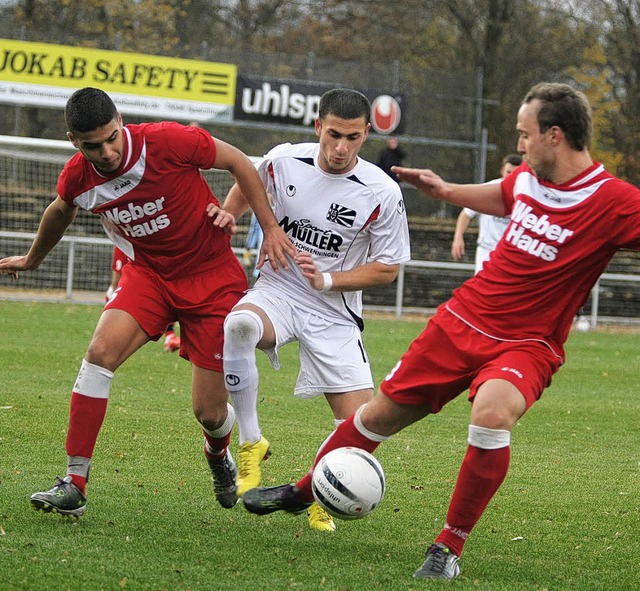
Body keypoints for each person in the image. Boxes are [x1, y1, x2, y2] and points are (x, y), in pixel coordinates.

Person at [240, 82, 640, 578]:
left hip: (527, 343)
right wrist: (446, 191)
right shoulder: (528, 179)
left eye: (524, 134)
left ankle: (447, 549)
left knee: (492, 416)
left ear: (554, 136)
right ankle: (303, 492)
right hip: (461, 321)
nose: (518, 144)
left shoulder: (616, 201)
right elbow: (503, 194)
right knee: (377, 418)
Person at [0, 87, 294, 517]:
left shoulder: (169, 141)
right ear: (73, 141)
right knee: (99, 354)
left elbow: (239, 162)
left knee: (209, 412)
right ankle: (74, 482)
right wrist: (31, 259)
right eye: (92, 146)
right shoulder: (79, 176)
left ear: (121, 120)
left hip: (212, 278)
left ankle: (218, 457)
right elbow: (60, 210)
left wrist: (268, 227)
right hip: (150, 277)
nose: (106, 151)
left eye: (111, 137)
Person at [217, 88, 411, 532]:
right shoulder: (286, 160)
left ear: (366, 135)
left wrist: (327, 280)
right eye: (334, 135)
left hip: (334, 310)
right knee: (240, 325)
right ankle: (250, 442)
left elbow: (387, 269)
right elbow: (249, 180)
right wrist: (230, 215)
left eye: (354, 139)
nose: (341, 148)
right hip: (280, 289)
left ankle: (320, 492)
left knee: (358, 428)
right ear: (318, 126)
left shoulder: (381, 191)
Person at [451, 153, 522, 273]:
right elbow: (466, 213)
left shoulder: (525, 194)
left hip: (512, 254)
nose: (511, 176)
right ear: (502, 171)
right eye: (508, 172)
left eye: (515, 173)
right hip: (487, 251)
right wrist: (458, 238)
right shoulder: (489, 189)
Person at [107, 246, 180, 352]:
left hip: (147, 247)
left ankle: (170, 335)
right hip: (126, 242)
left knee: (165, 286)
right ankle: (110, 326)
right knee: (116, 283)